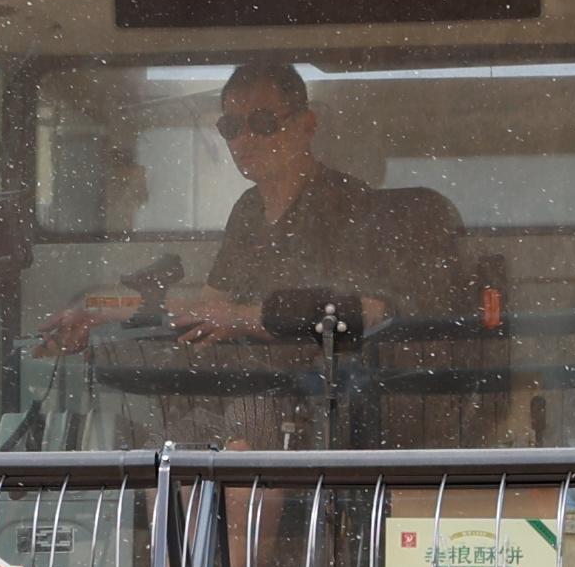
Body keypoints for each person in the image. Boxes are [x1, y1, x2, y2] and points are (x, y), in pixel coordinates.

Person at [37, 62, 462, 357]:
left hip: (326, 394)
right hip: (254, 384)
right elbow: (208, 307)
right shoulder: (248, 211)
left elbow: (369, 312)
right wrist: (102, 313)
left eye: (261, 123)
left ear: (306, 125)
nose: (243, 140)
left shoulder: (349, 204)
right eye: (231, 127)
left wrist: (241, 319)